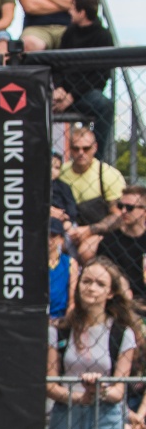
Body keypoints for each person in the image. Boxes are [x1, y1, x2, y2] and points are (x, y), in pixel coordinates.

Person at [46, 259, 136, 429]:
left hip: (106, 417)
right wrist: (79, 397)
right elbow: (50, 383)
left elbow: (119, 390)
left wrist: (99, 390)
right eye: (86, 281)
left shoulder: (122, 333)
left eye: (100, 284)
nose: (91, 288)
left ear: (110, 292)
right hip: (66, 413)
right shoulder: (60, 329)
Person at [51, 0, 115, 156]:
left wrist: (72, 96)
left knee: (105, 105)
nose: (69, 12)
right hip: (62, 93)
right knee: (33, 101)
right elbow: (58, 65)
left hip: (85, 94)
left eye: (73, 8)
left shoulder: (103, 36)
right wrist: (59, 88)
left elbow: (100, 77)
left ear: (82, 12)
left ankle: (96, 160)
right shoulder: (70, 32)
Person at [60, 125, 125, 261]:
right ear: (70, 149)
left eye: (86, 148)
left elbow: (118, 215)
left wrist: (90, 230)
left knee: (86, 251)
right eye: (76, 148)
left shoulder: (108, 174)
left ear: (95, 147)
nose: (81, 153)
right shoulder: (61, 173)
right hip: (64, 229)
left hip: (100, 231)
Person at [94, 183, 146, 304]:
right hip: (120, 304)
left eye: (130, 207)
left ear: (144, 211)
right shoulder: (108, 242)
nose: (123, 211)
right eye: (120, 206)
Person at [48, 219, 77, 321]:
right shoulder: (33, 262)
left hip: (60, 316)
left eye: (53, 236)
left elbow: (72, 300)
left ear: (61, 239)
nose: (49, 240)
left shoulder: (70, 263)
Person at [50, 151, 78, 226]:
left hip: (62, 221)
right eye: (49, 166)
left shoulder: (63, 186)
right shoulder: (36, 185)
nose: (52, 170)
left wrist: (68, 220)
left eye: (57, 168)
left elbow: (71, 208)